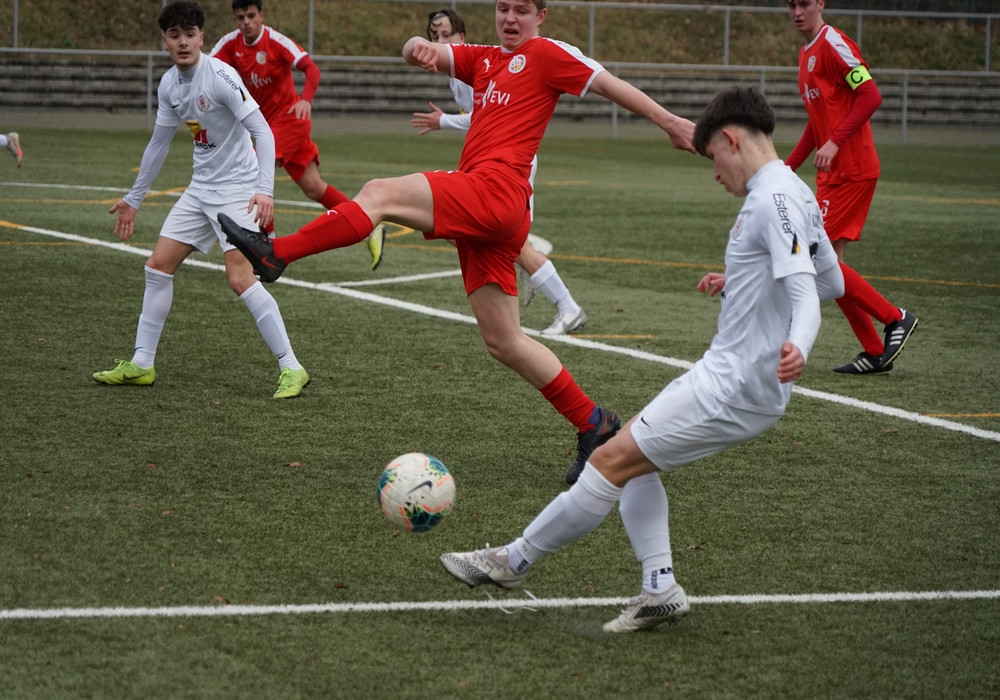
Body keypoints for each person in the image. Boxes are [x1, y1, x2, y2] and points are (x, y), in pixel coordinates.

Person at [219, 0, 695, 483]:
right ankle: (596, 424)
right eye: (503, 8)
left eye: (522, 10)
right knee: (505, 341)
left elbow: (609, 84)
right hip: (491, 211)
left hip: (497, 192)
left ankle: (276, 254)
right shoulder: (483, 57)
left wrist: (673, 123)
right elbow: (416, 51)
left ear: (541, 16)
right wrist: (417, 48)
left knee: (379, 193)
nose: (510, 18)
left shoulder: (549, 53)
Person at [439, 86, 845, 633]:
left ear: (731, 140)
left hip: (733, 383)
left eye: (713, 158)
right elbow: (831, 281)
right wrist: (743, 280)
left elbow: (805, 295)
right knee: (631, 458)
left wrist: (799, 344)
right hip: (739, 381)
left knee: (608, 460)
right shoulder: (795, 191)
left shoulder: (771, 199)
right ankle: (659, 587)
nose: (715, 173)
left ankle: (512, 561)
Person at [93, 0, 309, 400]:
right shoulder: (169, 85)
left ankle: (292, 367)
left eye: (189, 35)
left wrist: (265, 190)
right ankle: (142, 364)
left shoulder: (221, 76)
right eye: (174, 35)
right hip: (201, 188)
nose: (183, 43)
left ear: (201, 38)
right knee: (158, 267)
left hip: (238, 190)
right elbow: (158, 145)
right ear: (164, 41)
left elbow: (263, 132)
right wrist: (133, 199)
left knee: (240, 279)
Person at [411, 8, 587, 336]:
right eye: (434, 36)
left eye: (447, 35)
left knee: (508, 243)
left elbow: (482, 115)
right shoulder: (457, 75)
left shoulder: (480, 64)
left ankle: (568, 307)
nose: (440, 42)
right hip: (489, 164)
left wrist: (443, 121)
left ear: (462, 38)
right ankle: (547, 296)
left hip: (511, 166)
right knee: (467, 231)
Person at [785, 0, 917, 375]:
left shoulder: (833, 43)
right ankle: (875, 350)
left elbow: (870, 95)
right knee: (831, 267)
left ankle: (895, 318)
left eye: (804, 3)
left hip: (852, 169)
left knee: (819, 259)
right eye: (791, 5)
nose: (797, 11)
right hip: (833, 173)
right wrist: (787, 167)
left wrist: (835, 141)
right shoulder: (805, 54)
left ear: (820, 3)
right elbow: (818, 121)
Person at [210, 0, 386, 271]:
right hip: (268, 126)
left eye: (251, 15)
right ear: (235, 20)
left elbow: (311, 69)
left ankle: (268, 246)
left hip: (291, 121)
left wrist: (306, 99)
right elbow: (207, 69)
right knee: (314, 187)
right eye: (241, 17)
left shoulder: (276, 41)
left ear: (261, 16)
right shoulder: (230, 44)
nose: (246, 22)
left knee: (256, 166)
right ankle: (370, 222)